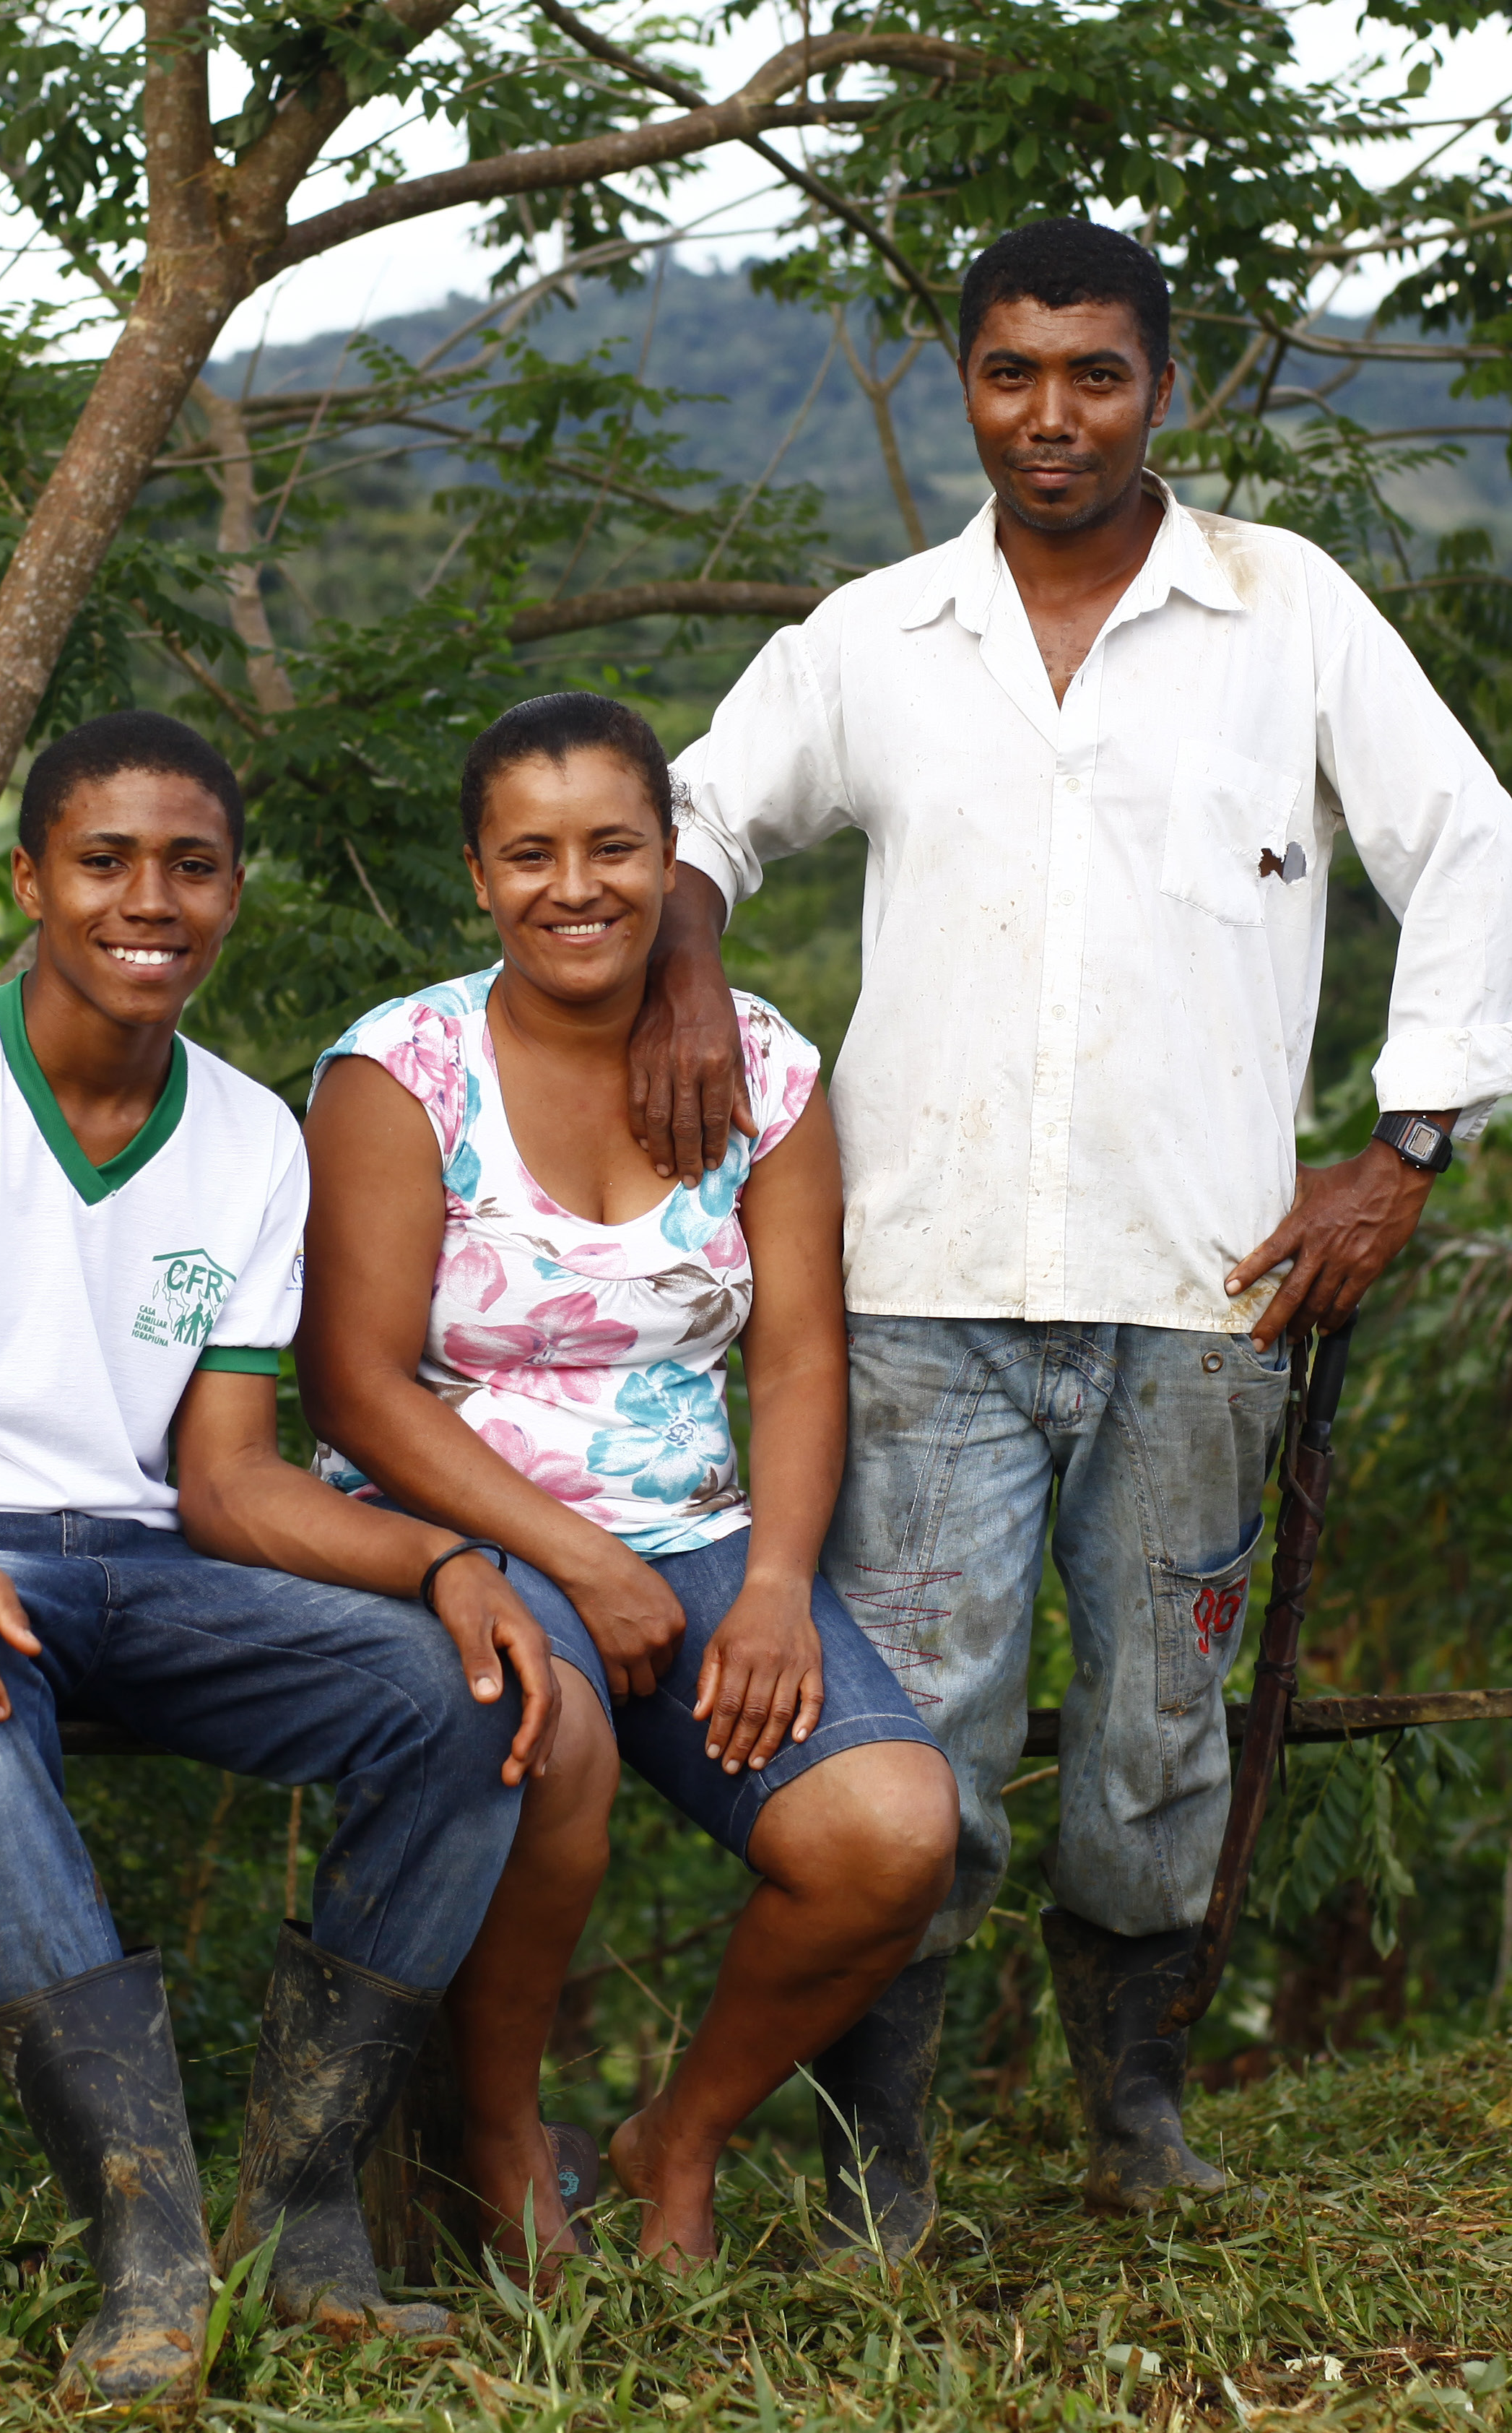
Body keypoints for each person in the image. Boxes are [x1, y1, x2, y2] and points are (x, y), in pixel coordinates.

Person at [622, 216, 1512, 2234]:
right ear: (963, 386)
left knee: (1147, 1735)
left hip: (1205, 1289)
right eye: (1011, 373)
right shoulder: (879, 637)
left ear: (1158, 388)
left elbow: (1468, 842)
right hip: (915, 1288)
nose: (1051, 416)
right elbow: (699, 814)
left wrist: (1404, 1147)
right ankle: (882, 2167)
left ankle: (1133, 2124)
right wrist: (689, 967)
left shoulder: (1279, 613)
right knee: (914, 1746)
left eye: (1092, 374)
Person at [0, 711, 560, 2404]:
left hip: (141, 1556)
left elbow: (226, 1485)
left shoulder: (251, 1140)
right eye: (107, 860)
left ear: (234, 895)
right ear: (34, 877)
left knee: (467, 1694)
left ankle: (304, 2207)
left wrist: (435, 1563)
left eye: (190, 865)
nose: (151, 898)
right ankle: (148, 2248)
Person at [295, 691, 960, 2268]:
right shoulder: (404, 1070)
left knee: (888, 1829)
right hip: (450, 1521)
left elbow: (798, 1356)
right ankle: (503, 2135)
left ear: (671, 858)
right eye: (528, 853)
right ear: (477, 874)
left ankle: (678, 2134)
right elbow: (356, 1385)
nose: (572, 885)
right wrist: (579, 1564)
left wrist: (780, 1583)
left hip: (701, 1530)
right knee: (559, 1731)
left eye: (612, 846)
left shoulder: (760, 1072)